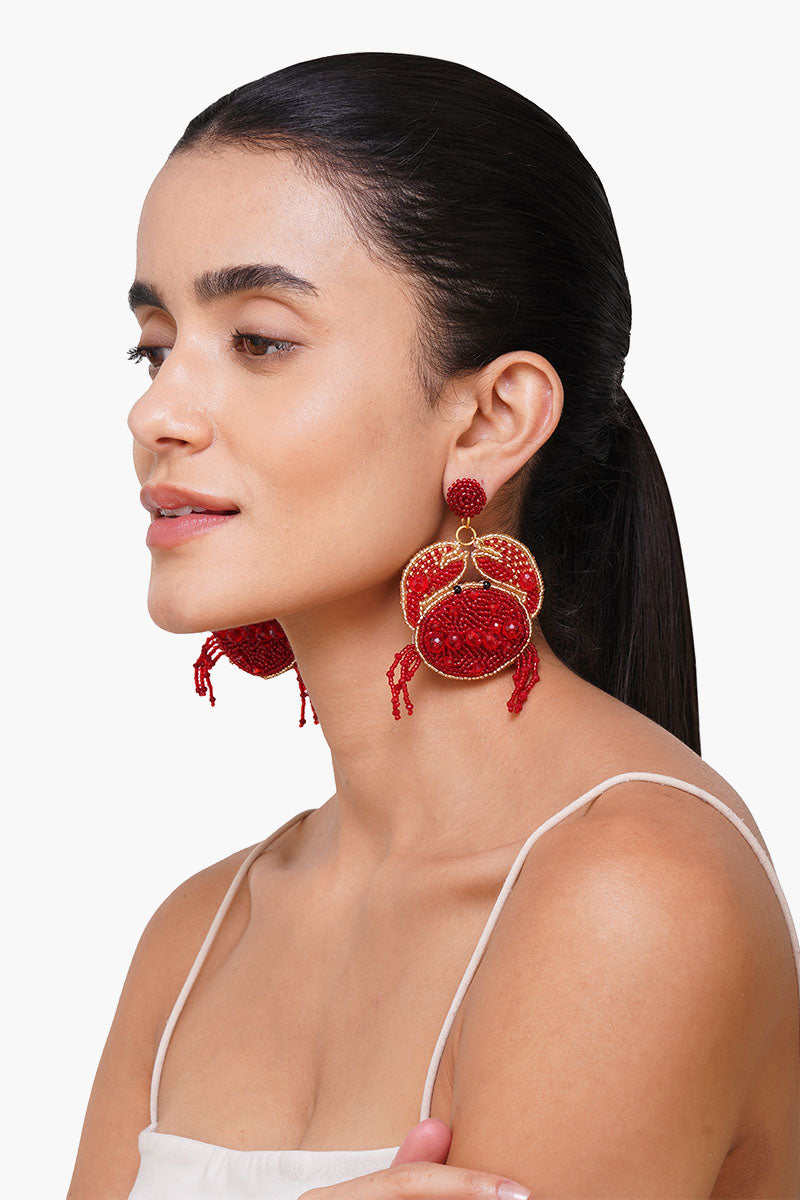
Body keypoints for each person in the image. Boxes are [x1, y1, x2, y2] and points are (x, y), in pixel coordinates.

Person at [66, 51, 800, 1200]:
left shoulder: (632, 902)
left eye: (259, 340)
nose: (154, 411)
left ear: (492, 417)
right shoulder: (197, 935)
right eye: (154, 346)